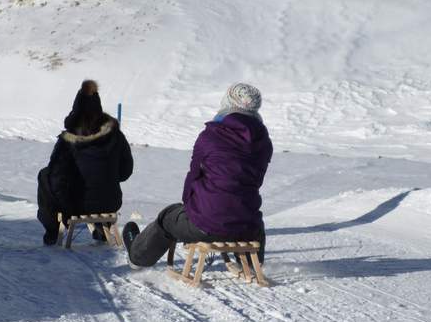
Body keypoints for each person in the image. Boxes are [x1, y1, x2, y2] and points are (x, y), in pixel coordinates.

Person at [123, 82, 272, 267]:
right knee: (252, 218)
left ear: (227, 103)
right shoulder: (264, 143)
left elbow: (193, 176)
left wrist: (190, 208)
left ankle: (137, 258)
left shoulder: (211, 136)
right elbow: (253, 181)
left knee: (168, 217)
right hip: (246, 226)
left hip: (206, 224)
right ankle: (252, 265)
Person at [37, 79, 133, 245]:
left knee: (45, 175)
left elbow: (57, 179)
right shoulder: (116, 135)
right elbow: (125, 171)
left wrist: (65, 207)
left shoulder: (69, 140)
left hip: (78, 206)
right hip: (111, 202)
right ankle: (102, 227)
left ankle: (52, 230)